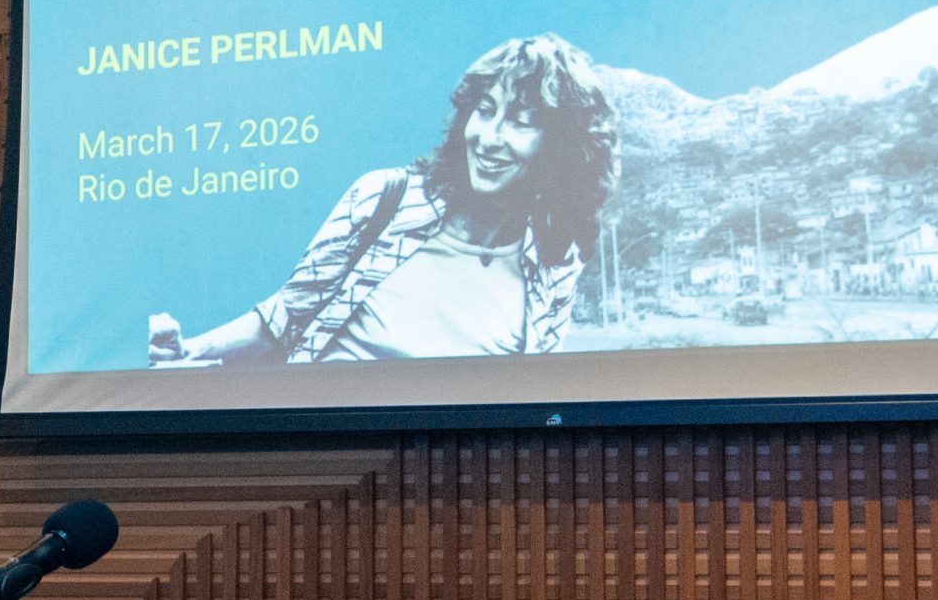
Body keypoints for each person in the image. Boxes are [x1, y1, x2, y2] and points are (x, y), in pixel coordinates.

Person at [150, 34, 619, 364]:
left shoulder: (556, 259)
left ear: (560, 145)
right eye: (485, 110)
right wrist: (188, 352)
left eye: (520, 121)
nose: (489, 137)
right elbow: (282, 321)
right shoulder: (387, 199)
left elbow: (538, 393)